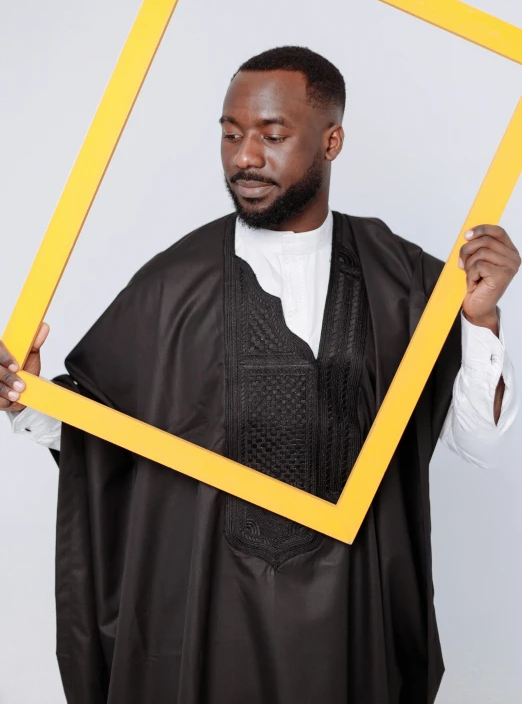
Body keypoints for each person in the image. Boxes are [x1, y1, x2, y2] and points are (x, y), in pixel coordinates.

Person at [0, 46, 519, 704]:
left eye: (272, 135)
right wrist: (28, 394)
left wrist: (480, 320)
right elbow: (105, 444)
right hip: (206, 631)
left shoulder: (403, 280)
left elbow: (478, 442)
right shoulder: (174, 283)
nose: (244, 155)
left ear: (331, 140)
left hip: (353, 637)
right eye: (231, 133)